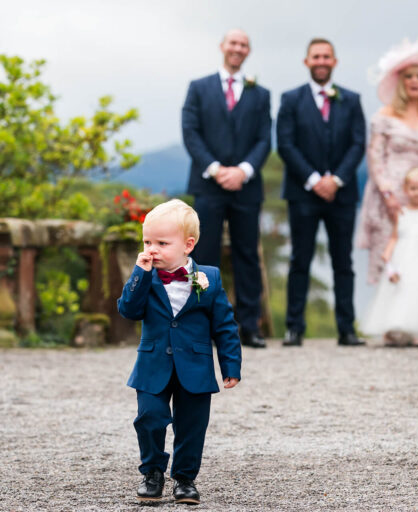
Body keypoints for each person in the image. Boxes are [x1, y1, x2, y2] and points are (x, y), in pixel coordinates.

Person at [117, 199, 241, 505]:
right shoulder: (144, 277)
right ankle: (153, 473)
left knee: (191, 426)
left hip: (195, 368)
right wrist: (139, 273)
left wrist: (230, 366)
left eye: (161, 242)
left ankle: (185, 479)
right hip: (152, 364)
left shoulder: (208, 278)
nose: (152, 249)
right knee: (149, 417)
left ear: (188, 244)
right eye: (147, 241)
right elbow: (128, 310)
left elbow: (225, 327)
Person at [181, 28, 271, 348]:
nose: (237, 48)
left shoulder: (260, 94)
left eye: (243, 44)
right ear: (222, 46)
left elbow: (264, 139)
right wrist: (217, 170)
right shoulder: (199, 88)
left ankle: (250, 325)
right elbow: (191, 133)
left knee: (248, 255)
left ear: (248, 51)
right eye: (233, 43)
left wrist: (243, 171)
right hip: (208, 185)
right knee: (204, 256)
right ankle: (202, 324)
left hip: (246, 187)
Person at [277, 38, 366, 347]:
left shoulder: (352, 100)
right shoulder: (290, 99)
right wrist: (315, 179)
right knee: (299, 260)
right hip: (303, 194)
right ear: (307, 61)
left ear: (335, 61)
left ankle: (347, 328)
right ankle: (294, 328)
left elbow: (358, 144)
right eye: (316, 56)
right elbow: (285, 144)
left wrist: (337, 179)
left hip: (342, 195)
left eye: (327, 56)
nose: (321, 61)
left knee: (344, 262)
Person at [356, 36, 418, 284]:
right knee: (388, 260)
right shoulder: (385, 115)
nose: (415, 81)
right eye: (409, 76)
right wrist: (387, 194)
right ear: (400, 81)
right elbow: (374, 158)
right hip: (389, 194)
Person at [361, 168, 418, 346]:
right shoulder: (401, 213)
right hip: (403, 259)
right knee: (400, 290)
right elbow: (395, 236)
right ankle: (396, 329)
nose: (417, 193)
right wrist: (387, 254)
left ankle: (417, 330)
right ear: (406, 189)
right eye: (413, 188)